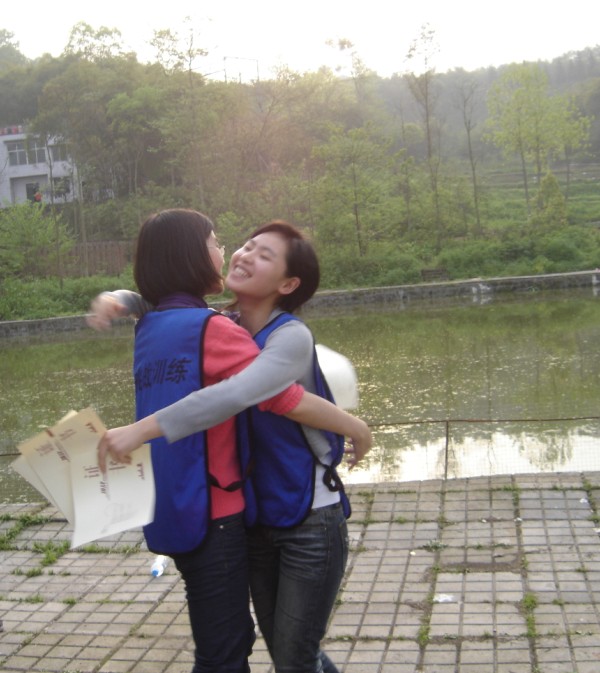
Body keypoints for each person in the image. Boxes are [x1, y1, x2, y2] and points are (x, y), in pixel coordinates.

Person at [90, 220, 371, 673]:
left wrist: (355, 426)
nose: (243, 254)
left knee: (294, 656)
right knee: (289, 651)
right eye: (245, 245)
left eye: (264, 255)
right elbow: (166, 304)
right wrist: (118, 299)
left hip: (308, 514)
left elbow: (247, 394)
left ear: (287, 284)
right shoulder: (224, 324)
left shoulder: (288, 336)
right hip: (258, 516)